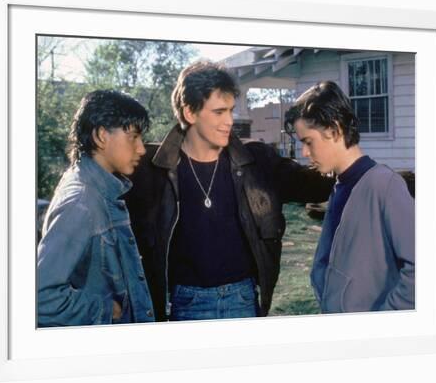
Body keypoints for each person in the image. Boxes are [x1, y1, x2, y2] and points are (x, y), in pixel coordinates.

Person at [125, 61, 334, 322]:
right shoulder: (149, 169)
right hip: (183, 303)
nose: (229, 121)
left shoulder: (256, 161)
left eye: (231, 111)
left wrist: (340, 148)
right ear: (190, 112)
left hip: (243, 299)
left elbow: (316, 185)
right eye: (219, 112)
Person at [289, 81, 415, 313]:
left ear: (334, 130)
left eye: (308, 142)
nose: (304, 152)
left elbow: (421, 269)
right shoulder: (340, 185)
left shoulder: (384, 185)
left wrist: (384, 322)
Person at [37, 90, 155, 327]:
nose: (141, 149)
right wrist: (106, 309)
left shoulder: (98, 190)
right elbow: (40, 298)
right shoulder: (81, 203)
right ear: (102, 136)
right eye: (133, 137)